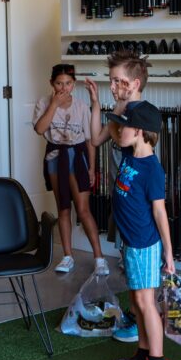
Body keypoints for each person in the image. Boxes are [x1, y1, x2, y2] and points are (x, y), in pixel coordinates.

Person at [84, 49, 151, 342]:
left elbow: (125, 143)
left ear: (134, 83)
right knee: (127, 260)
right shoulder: (120, 109)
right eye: (111, 80)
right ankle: (137, 316)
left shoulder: (139, 113)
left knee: (138, 266)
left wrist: (117, 111)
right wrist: (96, 103)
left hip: (136, 204)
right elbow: (95, 139)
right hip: (121, 200)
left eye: (117, 80)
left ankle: (142, 321)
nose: (112, 85)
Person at [106, 101, 174, 360]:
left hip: (145, 245)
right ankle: (143, 354)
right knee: (136, 301)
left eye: (126, 126)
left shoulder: (152, 170)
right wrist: (120, 101)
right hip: (130, 243)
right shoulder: (129, 153)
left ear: (140, 132)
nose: (119, 130)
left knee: (147, 303)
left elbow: (159, 212)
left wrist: (168, 253)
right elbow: (112, 128)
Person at [33, 63, 107, 276]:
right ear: (51, 83)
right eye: (59, 83)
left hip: (77, 156)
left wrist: (92, 168)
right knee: (63, 207)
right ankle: (67, 256)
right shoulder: (44, 103)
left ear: (73, 84)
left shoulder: (81, 107)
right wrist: (54, 105)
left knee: (83, 209)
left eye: (67, 83)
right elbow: (39, 129)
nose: (63, 88)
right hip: (55, 157)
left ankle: (99, 258)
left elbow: (90, 140)